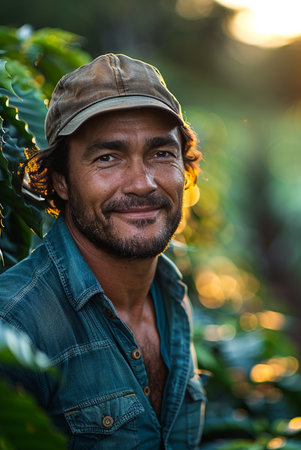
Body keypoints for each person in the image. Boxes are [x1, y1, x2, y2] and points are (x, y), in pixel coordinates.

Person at [0, 53, 206, 449]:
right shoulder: (16, 327)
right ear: (60, 181)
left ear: (186, 166)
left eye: (161, 153)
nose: (142, 183)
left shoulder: (170, 294)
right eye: (107, 158)